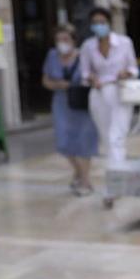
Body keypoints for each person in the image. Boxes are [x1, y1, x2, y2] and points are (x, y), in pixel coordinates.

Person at [78, 7, 140, 206]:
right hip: (98, 94)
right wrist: (92, 78)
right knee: (107, 140)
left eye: (102, 22)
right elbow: (84, 72)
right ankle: (118, 180)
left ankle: (112, 187)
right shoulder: (88, 46)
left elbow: (134, 68)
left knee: (116, 138)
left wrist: (125, 73)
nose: (99, 26)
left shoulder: (124, 43)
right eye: (95, 22)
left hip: (119, 92)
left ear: (109, 23)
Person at [41, 23, 97, 195]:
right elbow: (45, 80)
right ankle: (78, 172)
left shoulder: (84, 56)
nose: (62, 43)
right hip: (61, 102)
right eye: (58, 40)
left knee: (84, 141)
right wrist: (57, 85)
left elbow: (93, 76)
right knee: (63, 141)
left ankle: (85, 181)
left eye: (65, 39)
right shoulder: (52, 56)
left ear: (73, 40)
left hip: (81, 102)